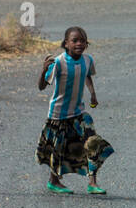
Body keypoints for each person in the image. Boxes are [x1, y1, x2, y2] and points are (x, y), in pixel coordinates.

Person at [37, 26, 114, 195]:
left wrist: (92, 93)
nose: (79, 43)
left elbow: (86, 74)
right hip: (59, 115)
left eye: (82, 40)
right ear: (66, 43)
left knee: (92, 142)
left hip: (79, 113)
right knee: (59, 150)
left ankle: (92, 182)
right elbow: (42, 86)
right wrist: (43, 70)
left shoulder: (88, 60)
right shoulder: (58, 62)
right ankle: (54, 181)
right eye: (75, 41)